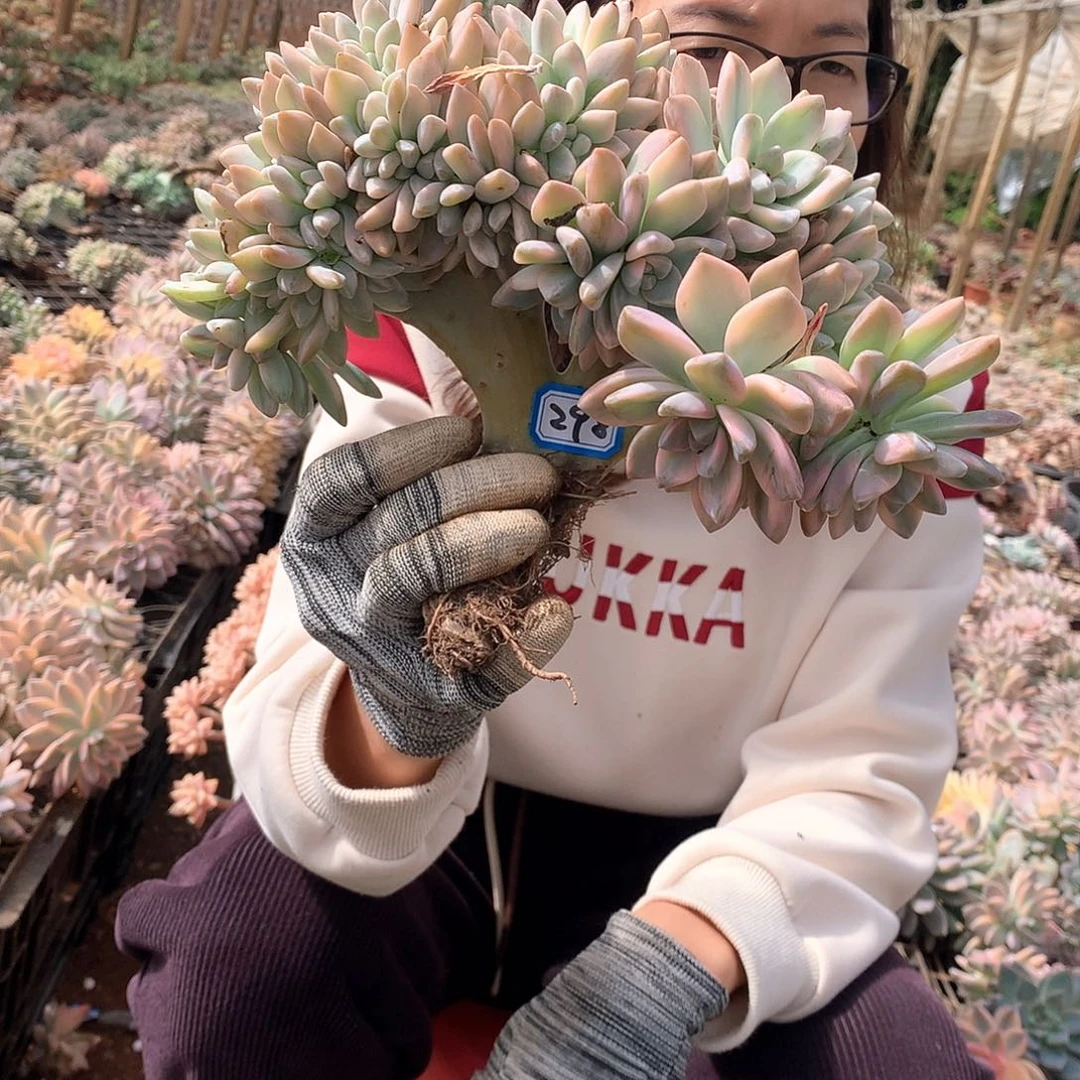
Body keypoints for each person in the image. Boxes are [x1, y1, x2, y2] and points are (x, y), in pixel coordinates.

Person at [115, 1, 996, 1077]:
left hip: (722, 854)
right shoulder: (425, 291)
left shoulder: (903, 400)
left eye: (832, 66)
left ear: (878, 105)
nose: (774, 103)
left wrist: (675, 962)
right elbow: (308, 700)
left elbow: (862, 760)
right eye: (708, 47)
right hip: (436, 815)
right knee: (236, 979)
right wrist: (393, 711)